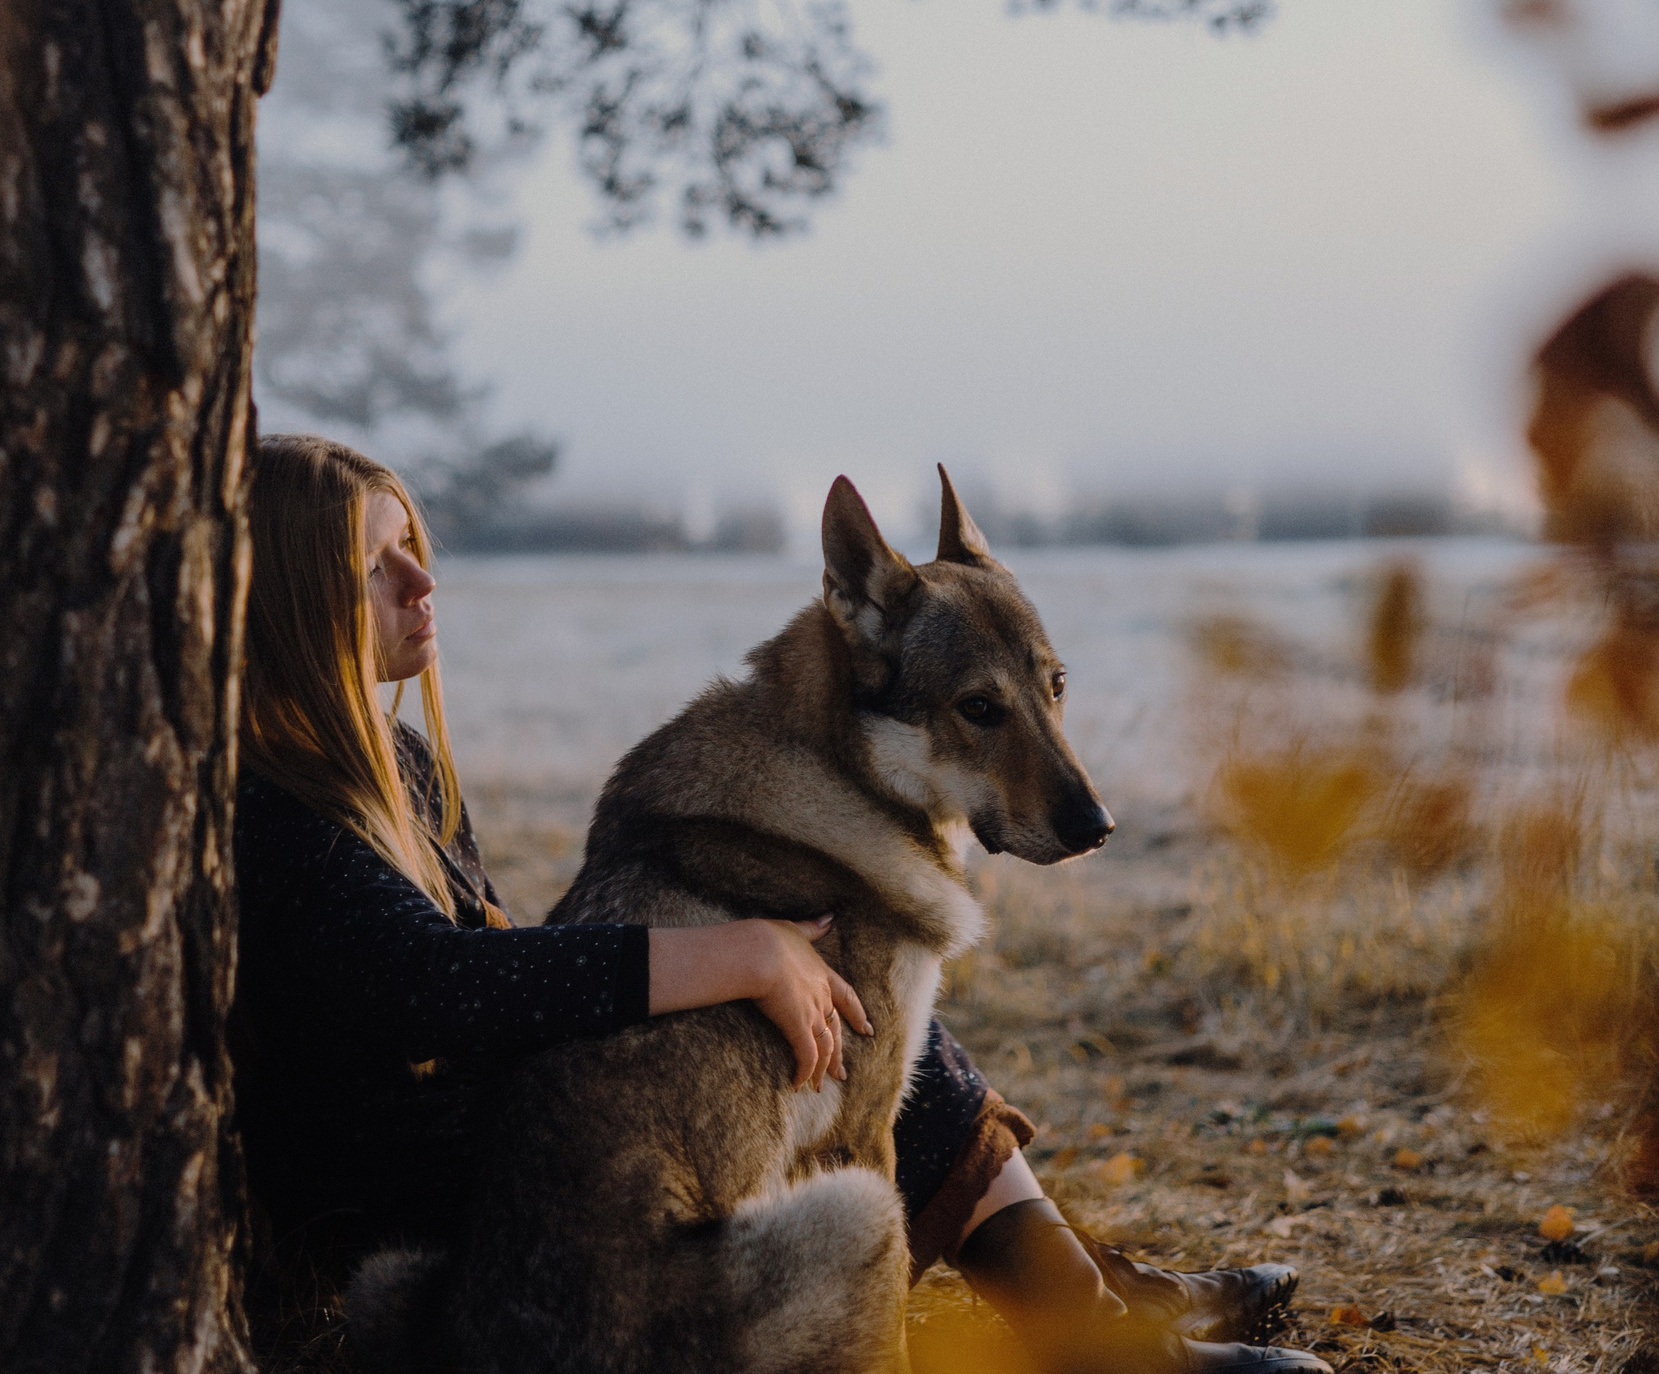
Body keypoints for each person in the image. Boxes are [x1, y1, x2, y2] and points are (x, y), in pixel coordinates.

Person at [229, 434, 1328, 1374]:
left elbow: (485, 956)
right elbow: (430, 985)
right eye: (377, 566)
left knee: (872, 999)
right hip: (462, 1211)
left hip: (503, 1205)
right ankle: (1099, 1322)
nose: (424, 583)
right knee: (856, 1018)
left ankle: (1101, 1306)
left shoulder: (395, 764)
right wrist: (742, 954)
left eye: (415, 547)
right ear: (283, 598)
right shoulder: (265, 804)